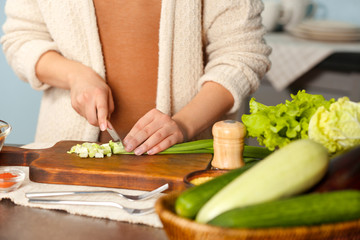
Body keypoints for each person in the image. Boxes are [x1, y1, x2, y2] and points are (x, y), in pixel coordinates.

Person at [1, 0, 271, 155]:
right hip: (68, 166)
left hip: (189, 167)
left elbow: (242, 54)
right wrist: (75, 76)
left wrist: (184, 125)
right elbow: (21, 38)